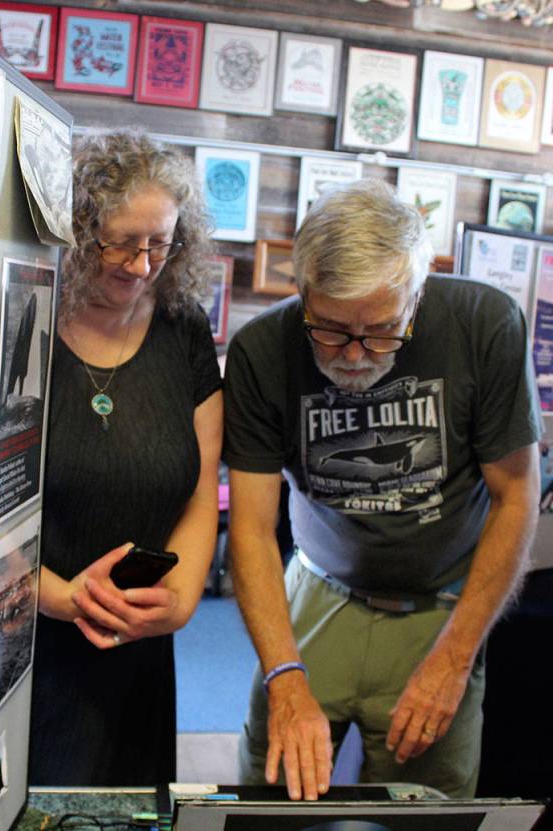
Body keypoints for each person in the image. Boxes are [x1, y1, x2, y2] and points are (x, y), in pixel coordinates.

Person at [223, 179, 541, 801]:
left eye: (383, 330)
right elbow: (254, 530)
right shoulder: (262, 349)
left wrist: (455, 659)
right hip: (317, 589)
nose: (355, 355)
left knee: (427, 806)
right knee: (272, 794)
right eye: (332, 330)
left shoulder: (486, 324)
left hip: (442, 604)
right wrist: (285, 678)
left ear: (416, 295)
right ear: (302, 291)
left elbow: (515, 498)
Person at [28, 131, 224, 786]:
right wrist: (58, 596)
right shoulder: (24, 318)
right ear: (79, 232)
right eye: (121, 243)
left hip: (140, 644)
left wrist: (182, 598)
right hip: (31, 638)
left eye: (159, 245)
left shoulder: (184, 326)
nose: (142, 266)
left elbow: (200, 488)